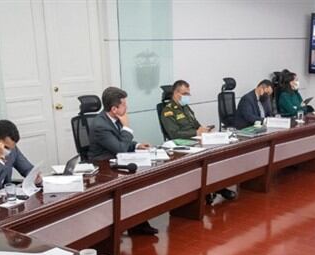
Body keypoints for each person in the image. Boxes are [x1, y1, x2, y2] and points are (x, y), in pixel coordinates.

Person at [88, 86, 157, 235]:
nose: (127, 107)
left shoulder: (113, 119)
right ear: (114, 109)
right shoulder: (100, 125)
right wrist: (126, 127)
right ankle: (132, 224)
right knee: (131, 183)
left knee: (139, 179)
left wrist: (137, 145)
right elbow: (120, 148)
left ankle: (137, 223)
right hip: (102, 166)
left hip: (115, 161)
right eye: (124, 104)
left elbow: (120, 141)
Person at [161, 80, 235, 204]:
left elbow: (196, 125)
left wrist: (204, 130)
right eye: (185, 93)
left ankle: (217, 187)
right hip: (182, 146)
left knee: (215, 156)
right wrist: (196, 133)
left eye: (188, 94)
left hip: (195, 142)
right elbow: (173, 134)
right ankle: (209, 190)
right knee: (204, 161)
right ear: (176, 93)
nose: (187, 97)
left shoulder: (186, 108)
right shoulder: (168, 111)